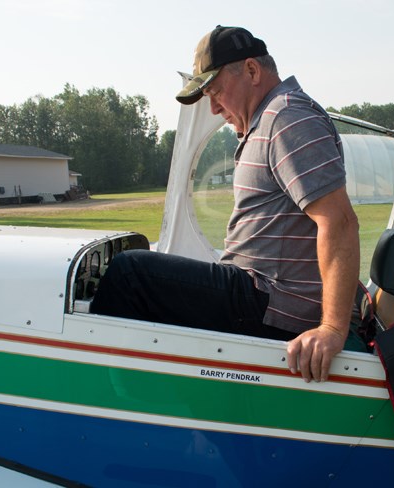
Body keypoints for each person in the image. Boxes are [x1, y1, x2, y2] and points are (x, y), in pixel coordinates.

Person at [91, 25, 360, 383]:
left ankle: (110, 404)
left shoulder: (287, 118)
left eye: (216, 91)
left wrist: (331, 328)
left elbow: (338, 221)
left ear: (252, 70)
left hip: (268, 301)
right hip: (261, 292)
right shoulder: (267, 120)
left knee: (129, 275)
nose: (215, 108)